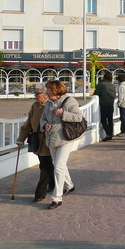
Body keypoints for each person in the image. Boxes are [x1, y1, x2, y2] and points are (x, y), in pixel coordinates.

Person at [40, 80, 84, 210]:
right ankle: (70, 185)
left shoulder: (70, 101)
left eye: (48, 90)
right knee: (60, 165)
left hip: (65, 138)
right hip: (51, 138)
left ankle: (57, 198)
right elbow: (42, 118)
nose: (46, 92)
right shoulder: (48, 104)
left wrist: (62, 114)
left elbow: (78, 117)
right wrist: (44, 125)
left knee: (58, 166)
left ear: (56, 90)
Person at [15, 85, 55, 202]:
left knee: (45, 165)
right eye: (35, 93)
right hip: (37, 138)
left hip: (48, 138)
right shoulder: (35, 106)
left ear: (45, 94)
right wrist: (20, 139)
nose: (35, 96)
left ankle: (40, 193)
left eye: (37, 93)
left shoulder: (51, 105)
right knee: (45, 164)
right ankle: (53, 184)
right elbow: (28, 124)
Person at [94, 72, 117, 141]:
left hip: (103, 104)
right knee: (110, 120)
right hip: (110, 104)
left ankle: (108, 133)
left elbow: (96, 94)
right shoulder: (112, 85)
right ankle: (110, 133)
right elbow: (114, 95)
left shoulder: (101, 84)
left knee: (103, 120)